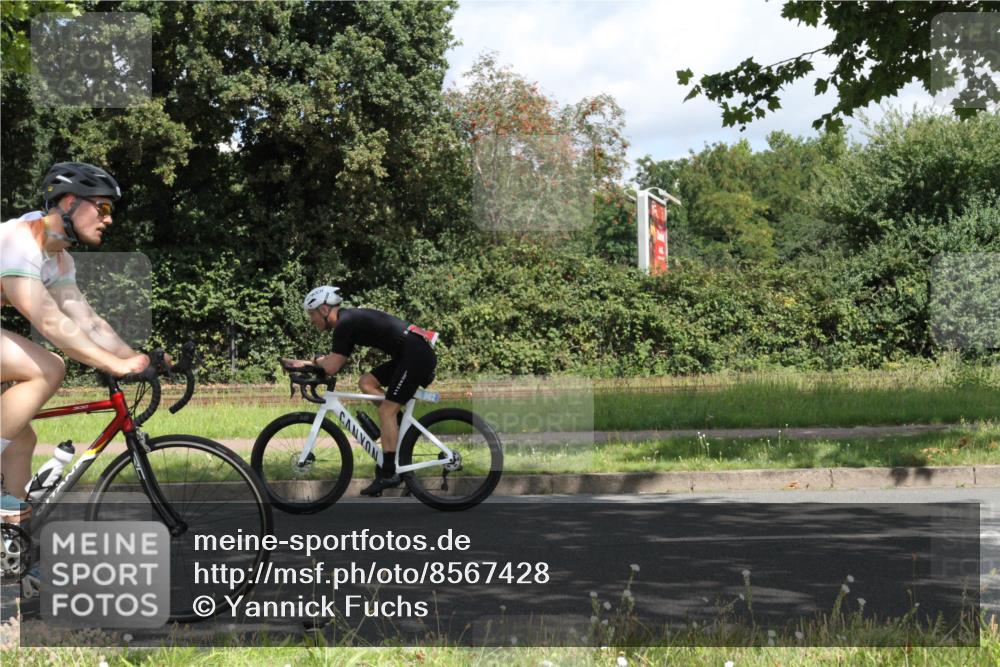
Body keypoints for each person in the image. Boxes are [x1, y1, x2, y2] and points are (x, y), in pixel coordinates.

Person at [1, 162, 150, 520]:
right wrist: (111, 363)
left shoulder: (60, 260)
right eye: (103, 207)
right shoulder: (21, 239)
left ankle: (12, 549)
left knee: (20, 441)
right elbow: (48, 320)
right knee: (48, 367)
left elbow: (88, 322)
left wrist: (138, 359)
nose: (109, 218)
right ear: (69, 202)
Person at [284, 285, 437, 497]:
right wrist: (307, 363)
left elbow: (331, 367)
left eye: (312, 314)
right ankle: (397, 426)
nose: (311, 320)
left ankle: (389, 473)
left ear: (324, 310)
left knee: (386, 411)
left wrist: (310, 363)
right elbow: (332, 361)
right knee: (366, 382)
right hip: (411, 353)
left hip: (415, 355)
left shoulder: (344, 324)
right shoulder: (347, 321)